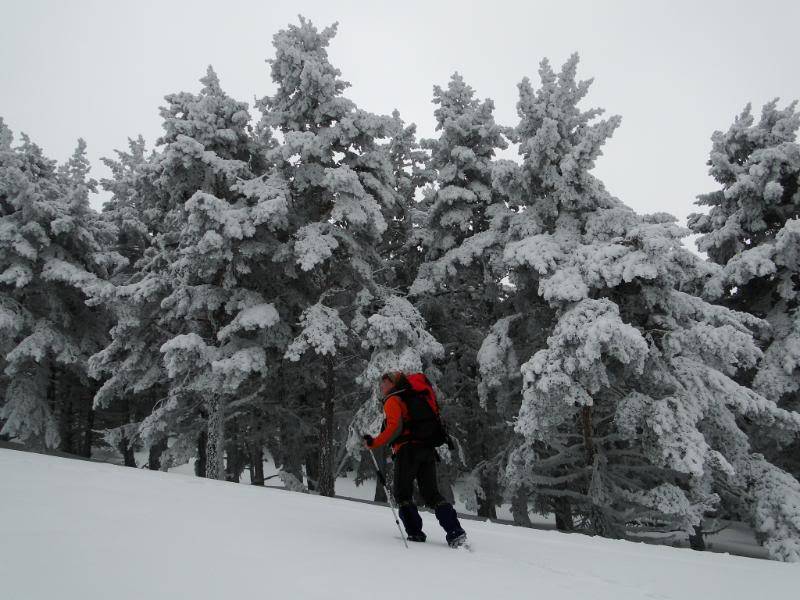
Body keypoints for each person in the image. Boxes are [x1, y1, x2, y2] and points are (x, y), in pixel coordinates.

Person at [363, 371, 467, 547]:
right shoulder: (412, 399)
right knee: (431, 494)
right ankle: (455, 531)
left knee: (403, 493)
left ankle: (415, 533)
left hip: (407, 450)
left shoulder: (393, 400)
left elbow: (394, 427)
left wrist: (374, 442)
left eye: (384, 383)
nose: (381, 386)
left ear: (393, 384)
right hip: (426, 449)